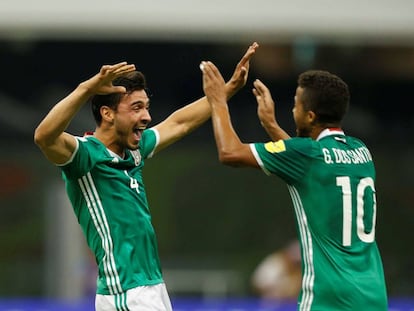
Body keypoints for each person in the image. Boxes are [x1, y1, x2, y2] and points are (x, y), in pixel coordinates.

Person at [34, 42, 259, 311]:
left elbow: (180, 122)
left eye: (147, 107)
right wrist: (86, 89)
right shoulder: (85, 156)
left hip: (150, 286)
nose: (147, 116)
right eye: (137, 107)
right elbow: (44, 136)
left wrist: (227, 90)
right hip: (125, 291)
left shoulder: (134, 149)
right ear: (107, 113)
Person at [200, 61, 388, 310]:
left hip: (330, 298)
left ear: (310, 116)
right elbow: (308, 166)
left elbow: (230, 152)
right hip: (373, 294)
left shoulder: (307, 154)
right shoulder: (360, 151)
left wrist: (218, 101)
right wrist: (271, 126)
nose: (292, 111)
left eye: (296, 105)